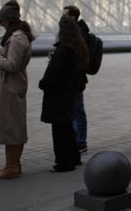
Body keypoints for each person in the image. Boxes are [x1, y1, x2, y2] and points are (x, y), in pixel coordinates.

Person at [0, 0, 35, 180]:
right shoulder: (17, 37)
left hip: (11, 88)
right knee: (10, 127)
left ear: (9, 20)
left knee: (13, 128)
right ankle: (12, 165)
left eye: (1, 20)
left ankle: (12, 166)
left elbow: (12, 65)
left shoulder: (18, 39)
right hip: (11, 87)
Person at [38, 17, 87, 172]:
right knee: (68, 128)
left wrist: (42, 83)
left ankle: (63, 162)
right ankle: (74, 157)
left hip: (58, 96)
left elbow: (53, 76)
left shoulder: (62, 51)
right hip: (69, 93)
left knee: (59, 131)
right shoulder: (77, 48)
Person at [62, 5, 91, 154]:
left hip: (76, 77)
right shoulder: (77, 32)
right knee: (74, 109)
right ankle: (76, 140)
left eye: (64, 15)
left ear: (72, 18)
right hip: (74, 76)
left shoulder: (79, 34)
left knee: (78, 110)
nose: (62, 18)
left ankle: (81, 142)